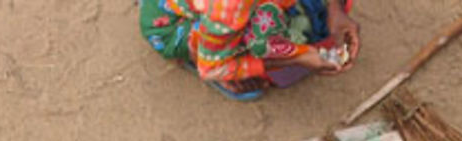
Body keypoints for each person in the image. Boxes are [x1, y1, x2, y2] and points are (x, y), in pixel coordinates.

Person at [139, 0, 360, 100]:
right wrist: (300, 57)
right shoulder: (228, 7)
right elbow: (214, 68)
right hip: (172, 26)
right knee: (260, 40)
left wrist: (335, 8)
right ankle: (201, 52)